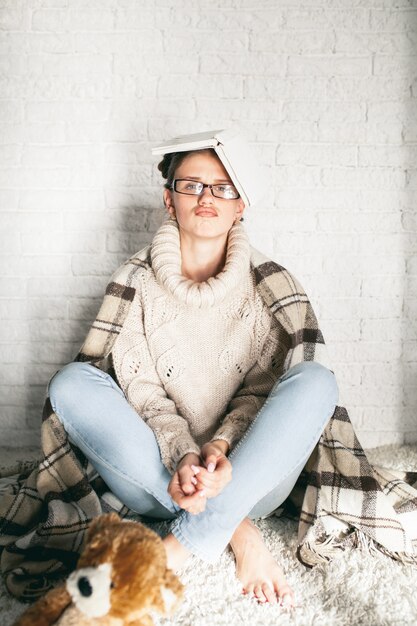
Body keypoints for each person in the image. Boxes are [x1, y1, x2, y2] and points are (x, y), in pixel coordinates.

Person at [46, 145, 339, 608]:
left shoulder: (271, 286)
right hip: (160, 474)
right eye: (192, 185)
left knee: (317, 381)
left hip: (249, 474)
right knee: (70, 384)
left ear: (240, 205)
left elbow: (260, 393)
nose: (207, 197)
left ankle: (176, 548)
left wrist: (219, 448)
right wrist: (184, 454)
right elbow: (142, 392)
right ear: (170, 199)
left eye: (223, 188)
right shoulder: (134, 283)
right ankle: (237, 531)